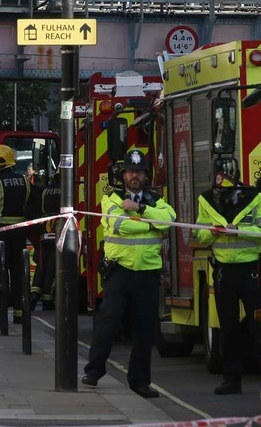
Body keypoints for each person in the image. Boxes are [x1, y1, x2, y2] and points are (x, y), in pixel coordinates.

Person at [82, 149, 176, 399]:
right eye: (131, 171)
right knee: (109, 322)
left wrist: (139, 209)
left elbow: (169, 221)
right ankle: (93, 371)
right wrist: (149, 222)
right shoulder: (111, 198)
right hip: (120, 270)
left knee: (145, 329)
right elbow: (118, 224)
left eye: (140, 172)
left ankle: (140, 381)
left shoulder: (156, 200)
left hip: (148, 272)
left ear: (146, 176)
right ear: (123, 175)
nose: (135, 176)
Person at [194, 171, 261, 395]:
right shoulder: (207, 202)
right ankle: (231, 380)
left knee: (258, 327)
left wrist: (238, 230)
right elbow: (200, 234)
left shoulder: (257, 200)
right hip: (224, 271)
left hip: (251, 269)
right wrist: (213, 233)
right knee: (228, 328)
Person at [0, 144, 32, 325]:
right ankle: (19, 313)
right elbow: (32, 207)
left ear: (0, 163)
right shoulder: (25, 181)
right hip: (19, 235)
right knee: (19, 274)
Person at [29, 172, 60, 311]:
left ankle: (34, 293)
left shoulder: (46, 191)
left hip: (45, 229)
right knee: (54, 265)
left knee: (42, 263)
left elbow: (42, 209)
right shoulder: (68, 190)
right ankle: (48, 298)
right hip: (60, 229)